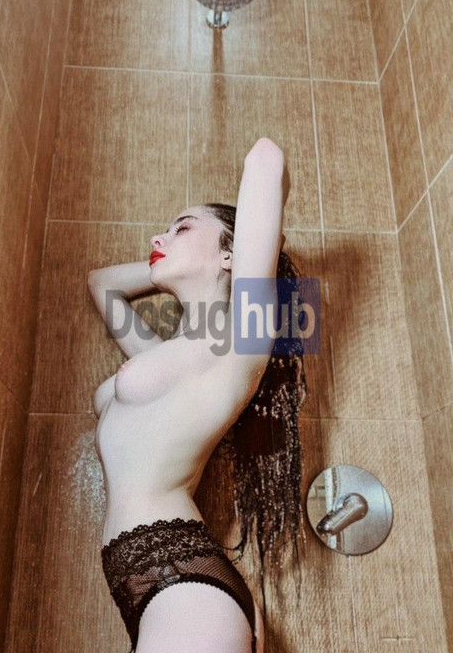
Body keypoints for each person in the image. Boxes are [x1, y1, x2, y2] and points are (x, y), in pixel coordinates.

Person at [87, 138, 306, 653]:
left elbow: (266, 158)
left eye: (181, 227)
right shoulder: (166, 357)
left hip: (181, 580)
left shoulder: (239, 341)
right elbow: (100, 284)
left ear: (232, 253)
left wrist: (249, 252)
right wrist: (169, 261)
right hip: (156, 578)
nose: (158, 237)